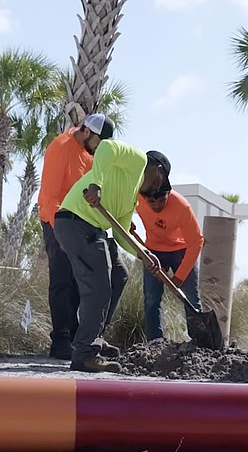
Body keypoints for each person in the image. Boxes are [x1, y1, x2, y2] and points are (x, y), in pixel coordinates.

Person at [53, 141, 166, 373]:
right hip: (76, 221)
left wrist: (143, 253)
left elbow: (122, 236)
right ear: (159, 171)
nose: (157, 189)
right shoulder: (138, 160)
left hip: (94, 230)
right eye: (160, 182)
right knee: (99, 287)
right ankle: (84, 354)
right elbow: (106, 147)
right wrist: (96, 184)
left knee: (118, 275)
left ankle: (94, 337)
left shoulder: (130, 200)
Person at [37, 113, 119, 360]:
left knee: (94, 278)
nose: (99, 149)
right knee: (62, 279)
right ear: (86, 132)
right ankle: (61, 340)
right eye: (98, 143)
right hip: (57, 221)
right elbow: (50, 197)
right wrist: (61, 233)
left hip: (82, 223)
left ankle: (83, 337)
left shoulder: (91, 153)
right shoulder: (61, 147)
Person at [135, 151, 205, 342]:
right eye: (151, 201)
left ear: (168, 193)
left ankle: (200, 341)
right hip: (153, 252)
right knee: (151, 299)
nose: (156, 205)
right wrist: (129, 227)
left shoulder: (181, 206)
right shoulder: (137, 197)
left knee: (192, 299)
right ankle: (155, 342)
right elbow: (123, 216)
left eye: (161, 200)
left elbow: (196, 241)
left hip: (181, 251)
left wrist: (179, 277)